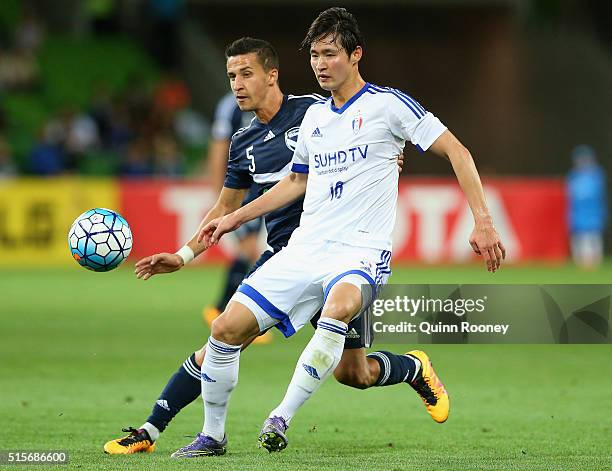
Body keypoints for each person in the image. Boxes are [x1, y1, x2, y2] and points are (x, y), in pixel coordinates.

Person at [173, 8, 506, 457]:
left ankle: (281, 417)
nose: (320, 64)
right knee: (231, 331)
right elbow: (295, 181)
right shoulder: (314, 119)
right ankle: (213, 436)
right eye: (314, 55)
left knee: (339, 306)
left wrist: (482, 219)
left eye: (330, 54)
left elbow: (458, 151)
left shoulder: (388, 105)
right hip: (305, 249)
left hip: (361, 252)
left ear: (356, 54)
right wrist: (233, 217)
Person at [103, 37, 406, 456]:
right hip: (288, 256)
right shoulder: (244, 144)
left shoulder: (315, 111)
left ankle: (412, 368)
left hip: (345, 256)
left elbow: (367, 126)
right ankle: (155, 430)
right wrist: (183, 254)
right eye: (231, 76)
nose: (237, 85)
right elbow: (224, 207)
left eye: (246, 74)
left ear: (272, 75)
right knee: (223, 336)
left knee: (353, 373)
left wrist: (387, 153)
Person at [201, 91, 266, 333]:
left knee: (249, 250)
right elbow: (219, 148)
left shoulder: (268, 104)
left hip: (259, 187)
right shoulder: (230, 106)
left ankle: (227, 311)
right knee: (248, 248)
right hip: (240, 189)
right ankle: (226, 312)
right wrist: (221, 196)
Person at [567, 145, 607, 269]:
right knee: (579, 240)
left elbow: (598, 196)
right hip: (577, 216)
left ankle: (594, 263)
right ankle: (581, 264)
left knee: (593, 239)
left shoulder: (597, 175)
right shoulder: (573, 176)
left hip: (593, 215)